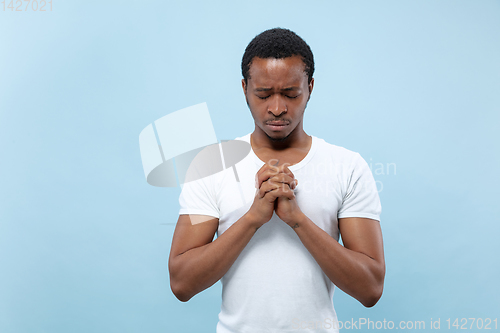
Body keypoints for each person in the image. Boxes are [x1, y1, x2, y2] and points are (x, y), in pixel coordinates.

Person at [168, 28, 385, 333]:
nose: (277, 108)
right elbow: (182, 282)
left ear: (310, 87)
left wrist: (298, 221)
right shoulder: (212, 165)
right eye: (264, 94)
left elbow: (370, 288)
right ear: (245, 88)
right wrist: (252, 219)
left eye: (291, 94)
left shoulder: (347, 167)